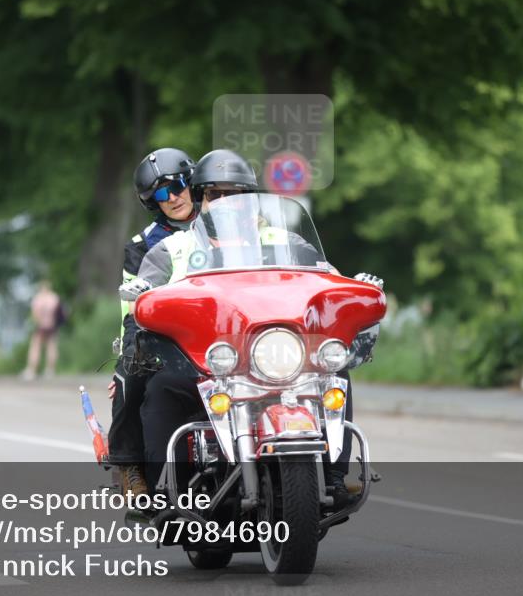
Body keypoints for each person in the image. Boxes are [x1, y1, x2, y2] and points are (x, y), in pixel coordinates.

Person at [124, 150, 376, 506]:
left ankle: (334, 478)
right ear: (200, 199)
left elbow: (328, 280)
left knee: (335, 374)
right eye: (215, 195)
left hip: (275, 354)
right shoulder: (172, 249)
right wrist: (145, 303)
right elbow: (141, 303)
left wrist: (356, 288)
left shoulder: (285, 242)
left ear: (252, 200)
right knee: (161, 387)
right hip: (205, 360)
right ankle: (164, 490)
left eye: (236, 194)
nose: (227, 203)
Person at [108, 147, 199, 497]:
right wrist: (129, 346)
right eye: (161, 193)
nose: (173, 196)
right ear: (152, 202)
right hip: (160, 328)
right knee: (130, 368)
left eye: (177, 185)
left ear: (190, 182)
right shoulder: (142, 245)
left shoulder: (221, 224)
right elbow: (130, 311)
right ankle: (130, 465)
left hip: (221, 327)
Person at [22, 281, 62, 380]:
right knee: (51, 347)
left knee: (35, 347)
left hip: (40, 326)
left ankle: (32, 370)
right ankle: (50, 370)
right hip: (52, 326)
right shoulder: (54, 298)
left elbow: (35, 314)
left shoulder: (38, 298)